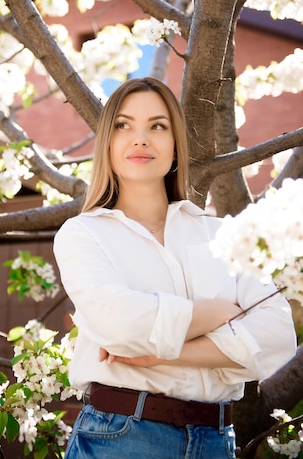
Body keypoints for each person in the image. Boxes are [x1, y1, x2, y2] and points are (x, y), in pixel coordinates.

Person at [53, 77, 296, 459]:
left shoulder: (225, 236)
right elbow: (119, 327)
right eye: (123, 125)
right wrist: (217, 314)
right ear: (108, 144)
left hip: (216, 442)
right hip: (121, 437)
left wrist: (163, 353)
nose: (140, 138)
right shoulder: (83, 234)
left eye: (158, 126)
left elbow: (278, 336)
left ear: (176, 147)